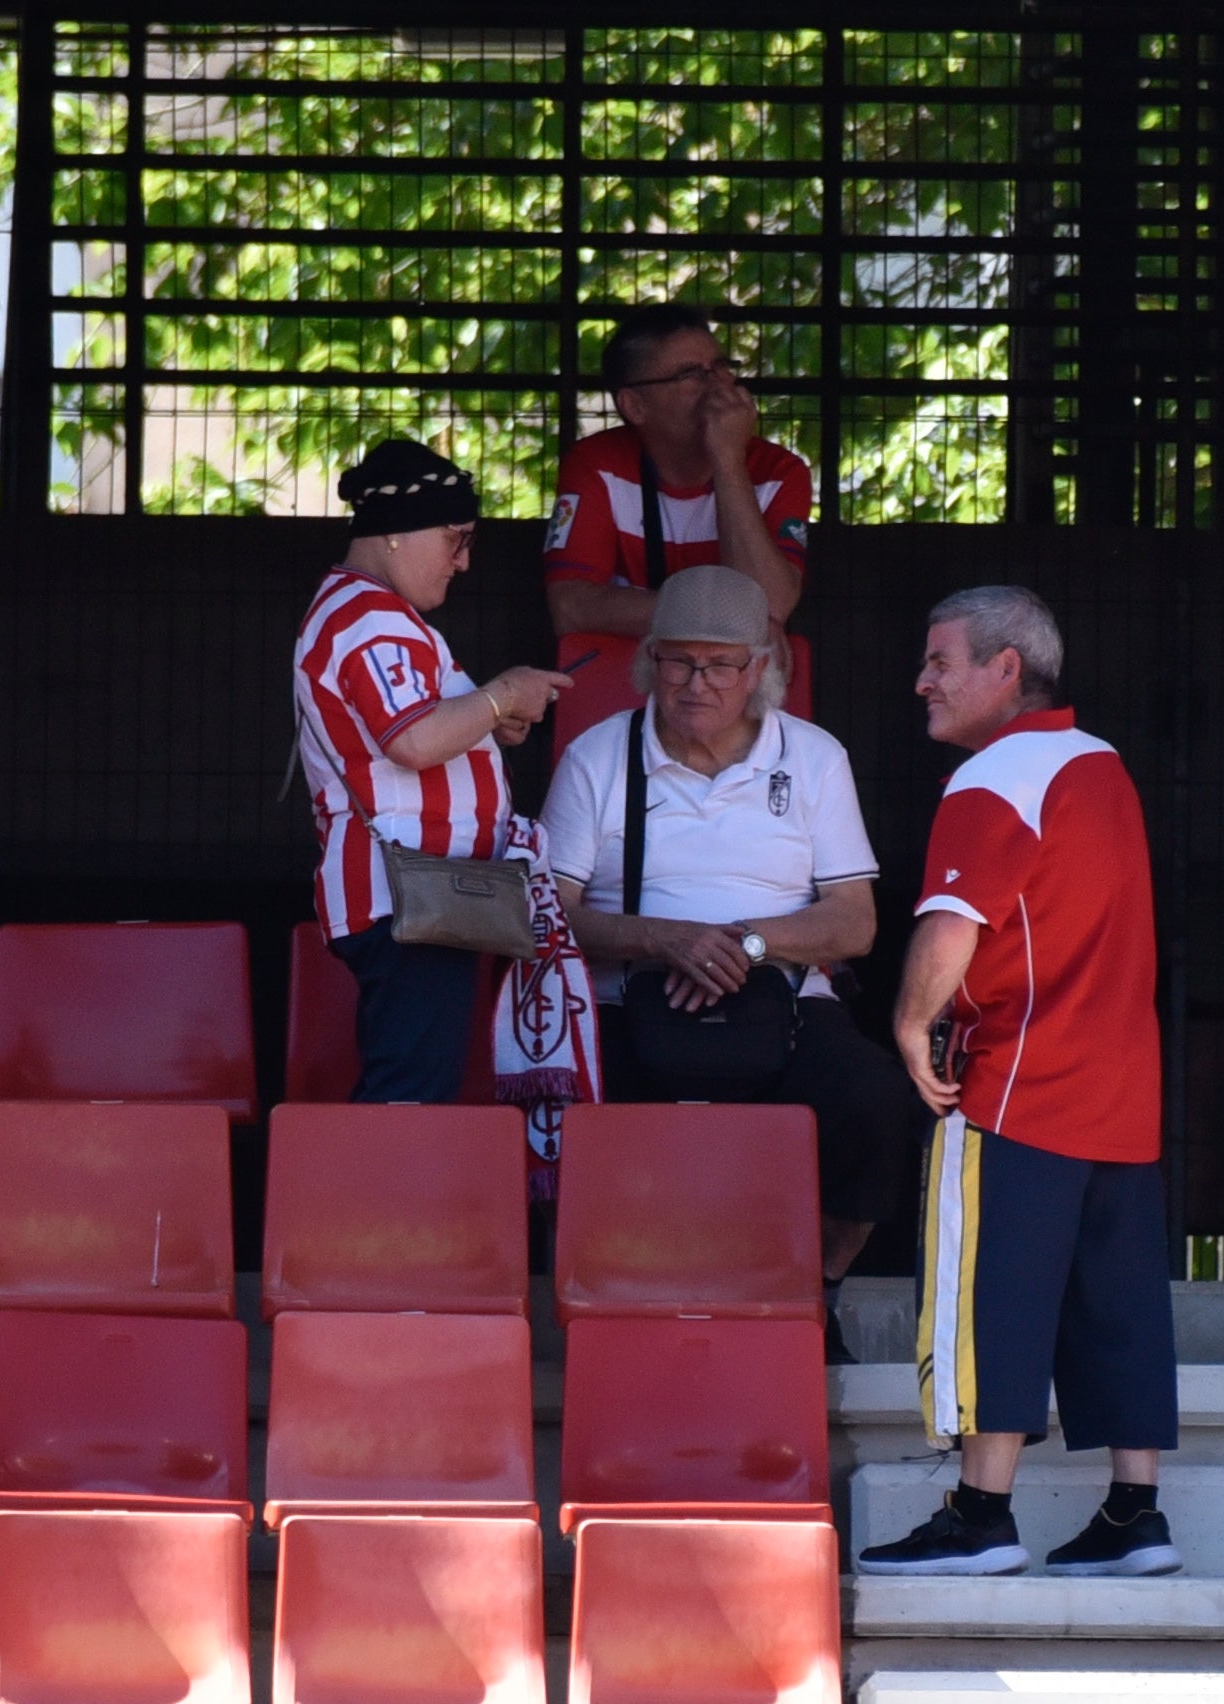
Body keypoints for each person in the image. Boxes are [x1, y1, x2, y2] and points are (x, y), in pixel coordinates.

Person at [856, 586, 1181, 1578]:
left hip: (1018, 1083)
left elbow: (953, 923)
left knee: (990, 1294)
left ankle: (979, 1514)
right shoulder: (1101, 764)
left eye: (940, 661)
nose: (921, 681)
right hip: (1121, 1084)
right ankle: (1134, 1515)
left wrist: (908, 1023)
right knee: (1118, 1301)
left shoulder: (995, 775)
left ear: (1006, 669)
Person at [537, 564, 918, 1356]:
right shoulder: (597, 757)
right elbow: (550, 912)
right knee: (563, 1118)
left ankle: (812, 1290)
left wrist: (743, 943)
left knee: (876, 1104)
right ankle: (609, 1307)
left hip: (782, 1001)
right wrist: (664, 940)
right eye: (677, 660)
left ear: (760, 669)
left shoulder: (812, 757)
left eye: (718, 665)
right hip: (625, 1001)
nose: (694, 683)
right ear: (649, 660)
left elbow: (854, 923)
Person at [293, 438, 571, 1102]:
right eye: (456, 538)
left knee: (414, 1085)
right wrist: (502, 694)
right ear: (396, 532)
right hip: (407, 895)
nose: (464, 561)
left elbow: (414, 727)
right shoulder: (370, 617)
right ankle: (376, 1180)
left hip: (415, 894)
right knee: (410, 1098)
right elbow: (414, 740)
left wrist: (484, 721)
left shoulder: (363, 610)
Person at [543, 303, 815, 751]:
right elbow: (569, 606)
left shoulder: (779, 471)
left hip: (736, 714)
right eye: (692, 375)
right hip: (618, 708)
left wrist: (728, 459)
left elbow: (770, 607)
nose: (720, 386)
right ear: (635, 405)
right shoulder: (595, 464)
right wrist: (724, 623)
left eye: (722, 367)